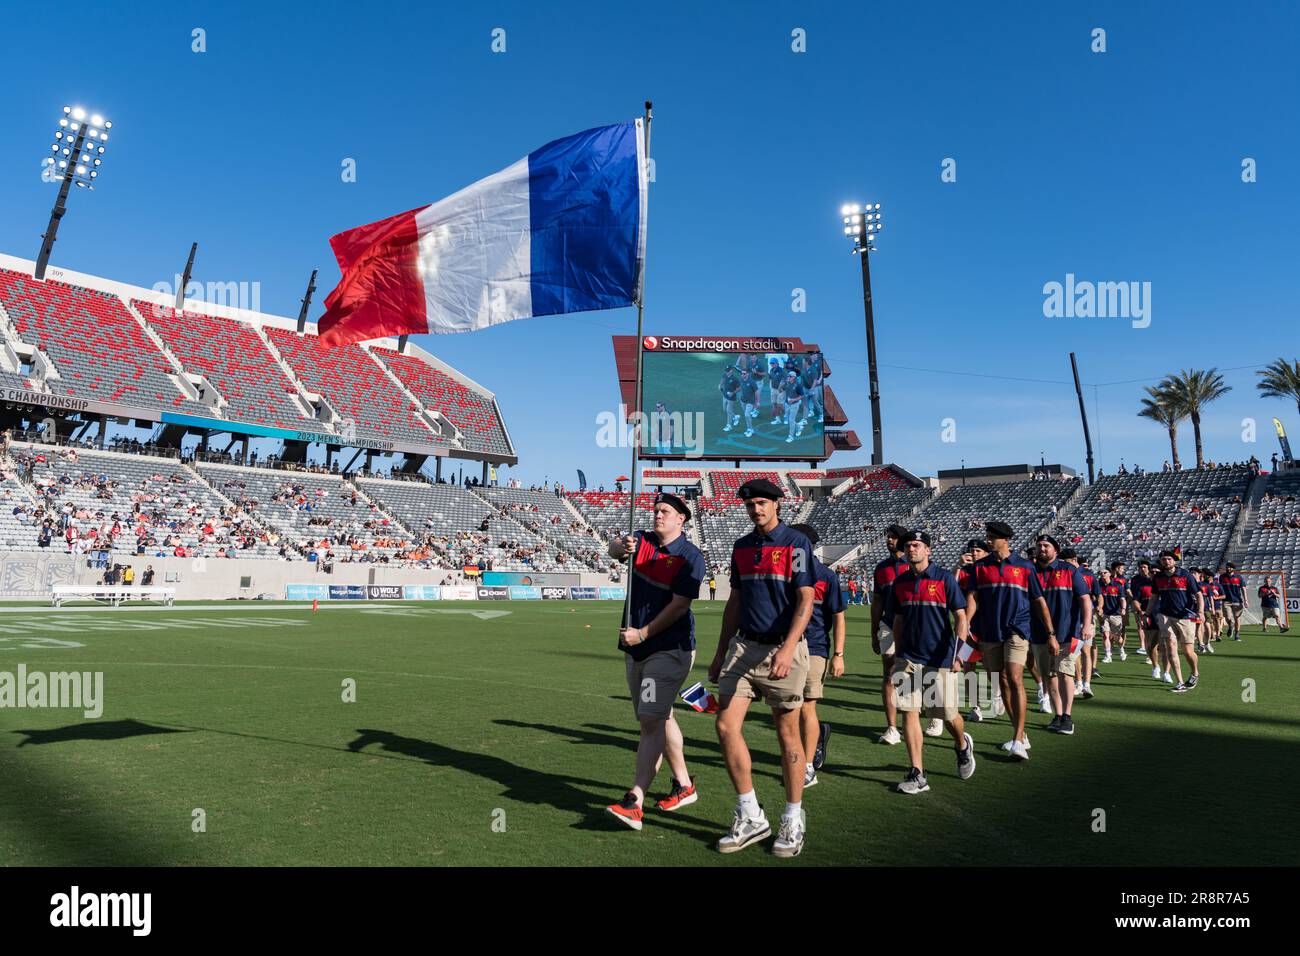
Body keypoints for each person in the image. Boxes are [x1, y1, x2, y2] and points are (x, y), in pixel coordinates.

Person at [707, 478, 815, 857]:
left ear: (777, 505)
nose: (757, 508)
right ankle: (751, 814)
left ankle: (793, 816)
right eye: (751, 503)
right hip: (743, 648)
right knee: (724, 725)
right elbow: (734, 603)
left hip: (783, 650)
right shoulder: (741, 547)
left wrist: (788, 648)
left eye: (763, 502)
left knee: (787, 735)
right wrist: (720, 652)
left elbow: (806, 599)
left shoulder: (796, 543)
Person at [604, 493, 707, 831]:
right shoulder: (643, 541)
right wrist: (621, 546)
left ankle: (635, 800)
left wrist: (643, 633)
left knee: (650, 719)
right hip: (636, 649)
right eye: (656, 510)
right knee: (659, 717)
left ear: (682, 519)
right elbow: (613, 549)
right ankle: (684, 784)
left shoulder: (691, 557)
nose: (658, 515)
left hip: (668, 649)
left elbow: (679, 605)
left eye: (665, 512)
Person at [884, 530, 975, 793]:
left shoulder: (945, 579)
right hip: (909, 658)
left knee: (947, 715)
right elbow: (898, 620)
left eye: (916, 545)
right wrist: (898, 654)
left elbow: (960, 617)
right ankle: (917, 773)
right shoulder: (900, 583)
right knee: (908, 711)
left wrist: (959, 653)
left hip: (939, 657)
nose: (911, 549)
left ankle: (962, 745)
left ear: (928, 550)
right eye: (908, 546)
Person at [960, 521, 1052, 760]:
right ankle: (1019, 734)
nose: (988, 540)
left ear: (1005, 539)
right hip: (989, 632)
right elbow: (973, 599)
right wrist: (965, 626)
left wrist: (1050, 633)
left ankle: (1019, 739)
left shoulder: (1024, 567)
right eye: (987, 536)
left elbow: (1039, 601)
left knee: (1014, 677)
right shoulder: (979, 568)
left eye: (991, 537)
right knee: (1000, 681)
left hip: (1017, 630)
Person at [789, 524, 845, 785]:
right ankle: (814, 738)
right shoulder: (783, 572)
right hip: (785, 647)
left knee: (806, 706)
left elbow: (838, 617)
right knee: (790, 707)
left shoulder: (825, 576)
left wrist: (839, 654)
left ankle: (808, 766)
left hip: (814, 648)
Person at [1030, 537, 1091, 735]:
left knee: (1066, 672)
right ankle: (1057, 715)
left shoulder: (1069, 570)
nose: (1042, 549)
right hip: (1039, 634)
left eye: (1046, 546)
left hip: (1069, 633)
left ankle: (1067, 716)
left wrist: (1087, 624)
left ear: (1056, 550)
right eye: (1039, 546)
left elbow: (1085, 598)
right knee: (1049, 675)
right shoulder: (1030, 571)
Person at [870, 525, 912, 744]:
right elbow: (877, 601)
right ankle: (892, 728)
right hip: (887, 625)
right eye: (888, 537)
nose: (889, 540)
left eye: (894, 537)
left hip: (913, 626)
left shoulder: (915, 566)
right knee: (889, 672)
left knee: (915, 674)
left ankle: (929, 719)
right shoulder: (881, 568)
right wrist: (873, 631)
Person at [959, 539, 1004, 723]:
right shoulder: (965, 572)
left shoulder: (991, 570)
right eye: (972, 551)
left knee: (990, 666)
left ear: (986, 553)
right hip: (968, 629)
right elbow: (952, 590)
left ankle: (997, 696)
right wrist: (958, 566)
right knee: (967, 666)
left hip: (987, 628)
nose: (974, 553)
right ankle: (975, 706)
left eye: (978, 550)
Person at [1146, 549, 1202, 692]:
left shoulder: (1186, 575)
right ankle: (1180, 682)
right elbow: (1154, 597)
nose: (1166, 561)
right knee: (1170, 647)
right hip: (1165, 616)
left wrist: (1200, 611)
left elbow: (1199, 594)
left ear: (1174, 560)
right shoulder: (1158, 578)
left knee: (1188, 651)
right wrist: (1146, 613)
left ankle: (1195, 672)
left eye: (1169, 559)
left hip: (1185, 616)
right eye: (1164, 559)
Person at [1098, 568, 1128, 673]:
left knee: (1117, 638)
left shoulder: (1118, 586)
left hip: (1116, 615)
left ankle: (1121, 650)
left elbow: (1123, 599)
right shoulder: (1098, 586)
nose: (1102, 574)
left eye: (1105, 572)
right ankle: (1108, 655)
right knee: (1105, 635)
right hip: (1104, 615)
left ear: (1110, 574)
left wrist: (1123, 609)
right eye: (1101, 573)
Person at [1218, 563, 1248, 641]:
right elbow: (1219, 588)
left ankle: (1237, 634)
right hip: (1226, 601)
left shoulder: (1239, 577)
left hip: (1237, 601)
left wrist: (1245, 600)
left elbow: (1243, 589)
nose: (1228, 569)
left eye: (1230, 567)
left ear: (1233, 568)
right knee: (1227, 617)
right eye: (1227, 567)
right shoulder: (1222, 577)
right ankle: (1231, 625)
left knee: (1237, 618)